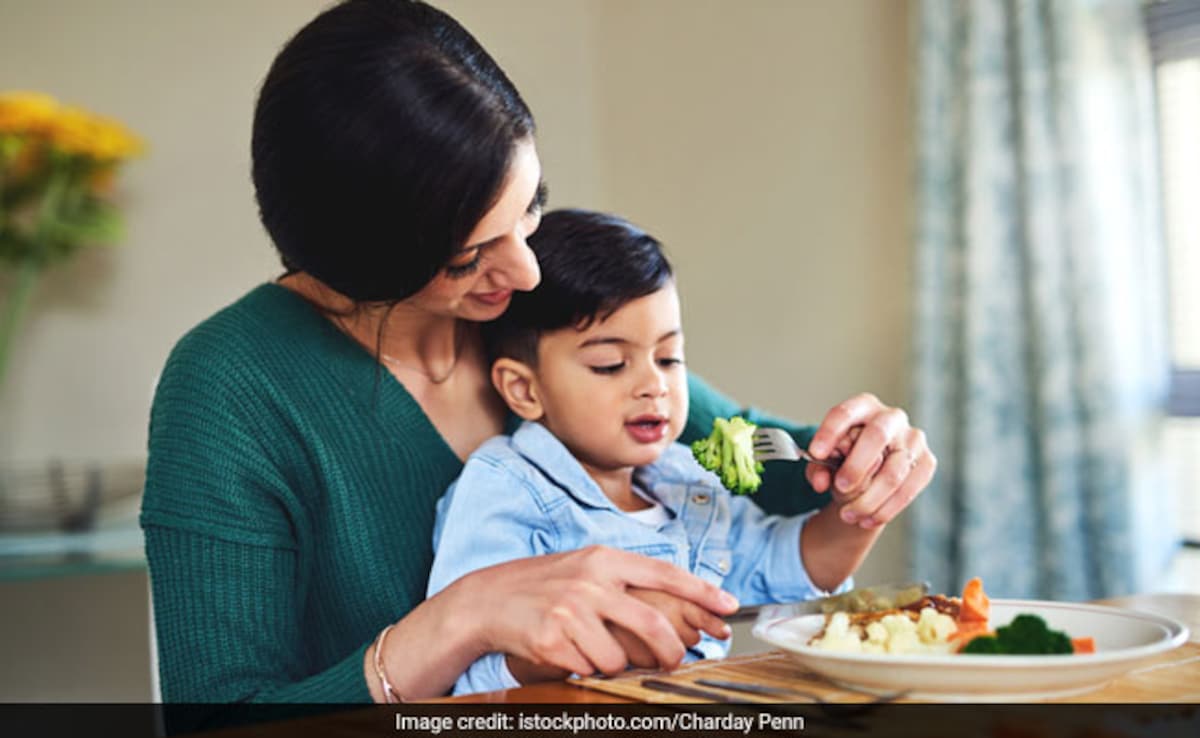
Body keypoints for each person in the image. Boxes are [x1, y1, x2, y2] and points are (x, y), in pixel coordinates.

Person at [139, 0, 936, 717]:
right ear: (361, 260)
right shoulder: (231, 388)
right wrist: (457, 620)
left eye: (531, 209)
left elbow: (762, 461)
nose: (523, 271)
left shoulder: (542, 306)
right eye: (468, 257)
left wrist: (868, 454)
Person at [428, 209, 900, 695]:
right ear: (524, 390)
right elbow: (465, 678)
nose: (654, 385)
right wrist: (589, 640)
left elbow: (793, 570)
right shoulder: (504, 489)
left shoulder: (686, 479)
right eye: (610, 365)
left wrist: (858, 506)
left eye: (669, 358)